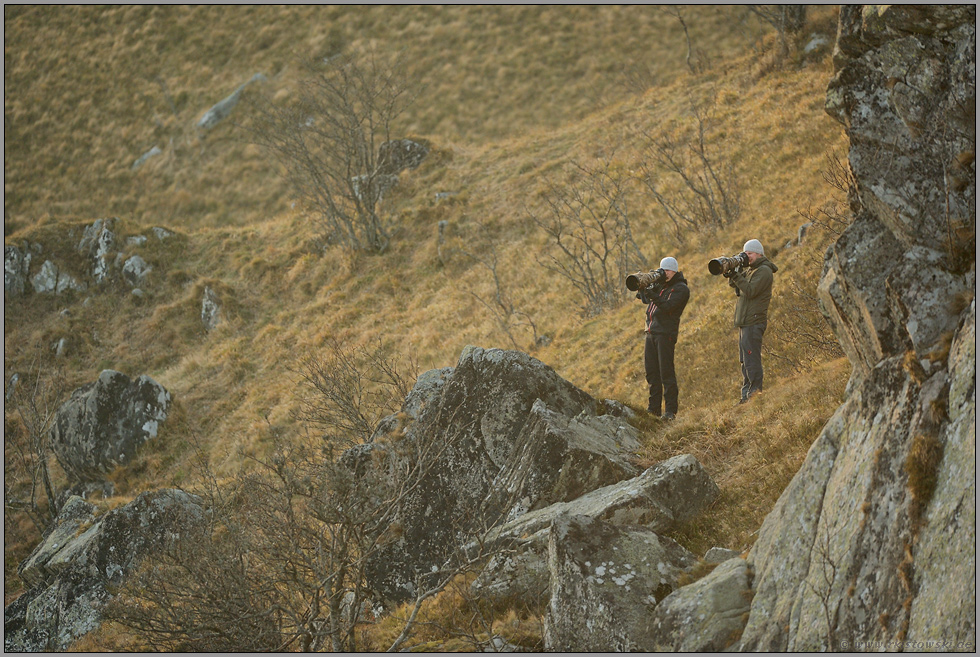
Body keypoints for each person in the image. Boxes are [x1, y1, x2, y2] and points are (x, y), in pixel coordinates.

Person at [637, 257, 690, 420]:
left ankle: (670, 411)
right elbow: (645, 299)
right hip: (651, 332)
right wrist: (644, 288)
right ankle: (653, 409)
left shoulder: (680, 289)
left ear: (674, 271)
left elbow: (668, 307)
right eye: (662, 270)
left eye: (667, 271)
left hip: (665, 334)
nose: (664, 273)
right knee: (652, 373)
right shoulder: (661, 285)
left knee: (666, 373)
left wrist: (653, 294)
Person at [727, 239, 777, 404]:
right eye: (745, 253)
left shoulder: (764, 271)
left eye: (750, 253)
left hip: (754, 321)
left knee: (751, 359)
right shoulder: (751, 270)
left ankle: (755, 395)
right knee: (744, 361)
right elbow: (736, 287)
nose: (746, 256)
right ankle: (745, 395)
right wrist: (733, 271)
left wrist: (736, 274)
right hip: (745, 322)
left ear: (759, 253)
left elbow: (750, 291)